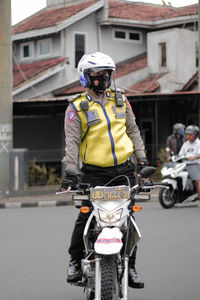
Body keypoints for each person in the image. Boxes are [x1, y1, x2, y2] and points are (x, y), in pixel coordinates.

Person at [61, 52, 148, 288]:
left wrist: (142, 161)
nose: (102, 79)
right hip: (93, 173)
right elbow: (71, 142)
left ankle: (129, 267)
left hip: (124, 171)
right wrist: (70, 170)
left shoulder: (121, 100)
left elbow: (133, 131)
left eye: (106, 74)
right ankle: (75, 261)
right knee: (85, 216)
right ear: (85, 77)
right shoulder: (77, 106)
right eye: (96, 75)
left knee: (127, 219)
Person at [179, 125, 200, 208]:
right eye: (187, 134)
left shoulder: (198, 143)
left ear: (195, 135)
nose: (188, 136)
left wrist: (194, 157)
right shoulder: (185, 144)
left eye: (191, 135)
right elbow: (180, 154)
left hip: (195, 164)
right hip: (185, 164)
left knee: (197, 181)